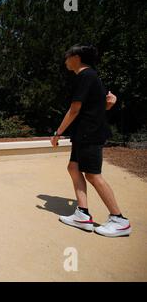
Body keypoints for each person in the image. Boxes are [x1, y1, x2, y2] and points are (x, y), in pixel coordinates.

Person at [51, 44, 132, 237]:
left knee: (93, 175)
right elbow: (96, 106)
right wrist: (109, 104)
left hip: (89, 133)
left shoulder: (85, 76)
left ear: (76, 58)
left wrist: (58, 133)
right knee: (73, 167)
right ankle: (82, 214)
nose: (65, 61)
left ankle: (119, 219)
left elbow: (75, 109)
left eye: (67, 57)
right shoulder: (91, 77)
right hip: (85, 132)